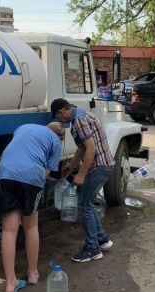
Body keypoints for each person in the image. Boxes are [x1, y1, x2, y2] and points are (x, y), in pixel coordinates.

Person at [0, 122, 64, 292]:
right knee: (31, 226)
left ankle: (10, 282)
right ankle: (32, 273)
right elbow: (47, 171)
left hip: (5, 173)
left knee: (9, 230)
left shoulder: (23, 127)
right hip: (31, 176)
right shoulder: (56, 141)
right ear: (59, 135)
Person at [50, 98, 115, 263]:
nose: (60, 121)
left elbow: (91, 148)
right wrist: (72, 166)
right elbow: (82, 146)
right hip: (104, 165)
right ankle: (102, 240)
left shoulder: (78, 120)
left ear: (62, 112)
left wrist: (81, 174)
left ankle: (92, 249)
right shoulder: (80, 114)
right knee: (88, 203)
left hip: (99, 167)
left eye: (59, 118)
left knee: (84, 205)